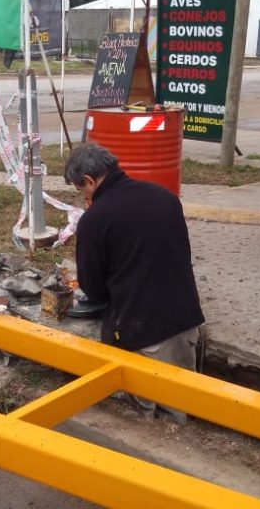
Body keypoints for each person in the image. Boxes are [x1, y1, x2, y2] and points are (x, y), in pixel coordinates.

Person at [65, 142, 205, 424]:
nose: (84, 195)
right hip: (186, 323)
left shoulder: (96, 220)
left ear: (90, 181)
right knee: (181, 409)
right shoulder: (164, 197)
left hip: (145, 335)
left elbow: (93, 289)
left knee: (151, 426)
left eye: (82, 189)